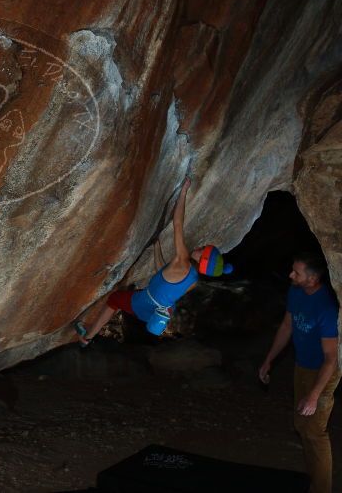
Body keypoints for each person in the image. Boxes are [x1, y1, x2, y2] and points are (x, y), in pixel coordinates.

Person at [74, 176, 233, 343]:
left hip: (145, 303)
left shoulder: (182, 260)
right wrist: (157, 247)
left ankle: (87, 337)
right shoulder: (194, 279)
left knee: (115, 300)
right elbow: (163, 276)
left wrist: (184, 192)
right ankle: (98, 331)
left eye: (203, 251)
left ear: (204, 261)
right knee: (130, 297)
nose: (200, 247)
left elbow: (178, 224)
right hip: (158, 311)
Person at [259, 253, 340, 493]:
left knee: (315, 431)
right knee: (301, 424)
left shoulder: (326, 308)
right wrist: (268, 360)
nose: (291, 275)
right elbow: (287, 326)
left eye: (297, 272)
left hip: (325, 371)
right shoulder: (296, 292)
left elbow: (331, 359)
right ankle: (313, 480)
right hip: (302, 365)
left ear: (313, 279)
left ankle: (322, 489)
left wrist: (315, 395)